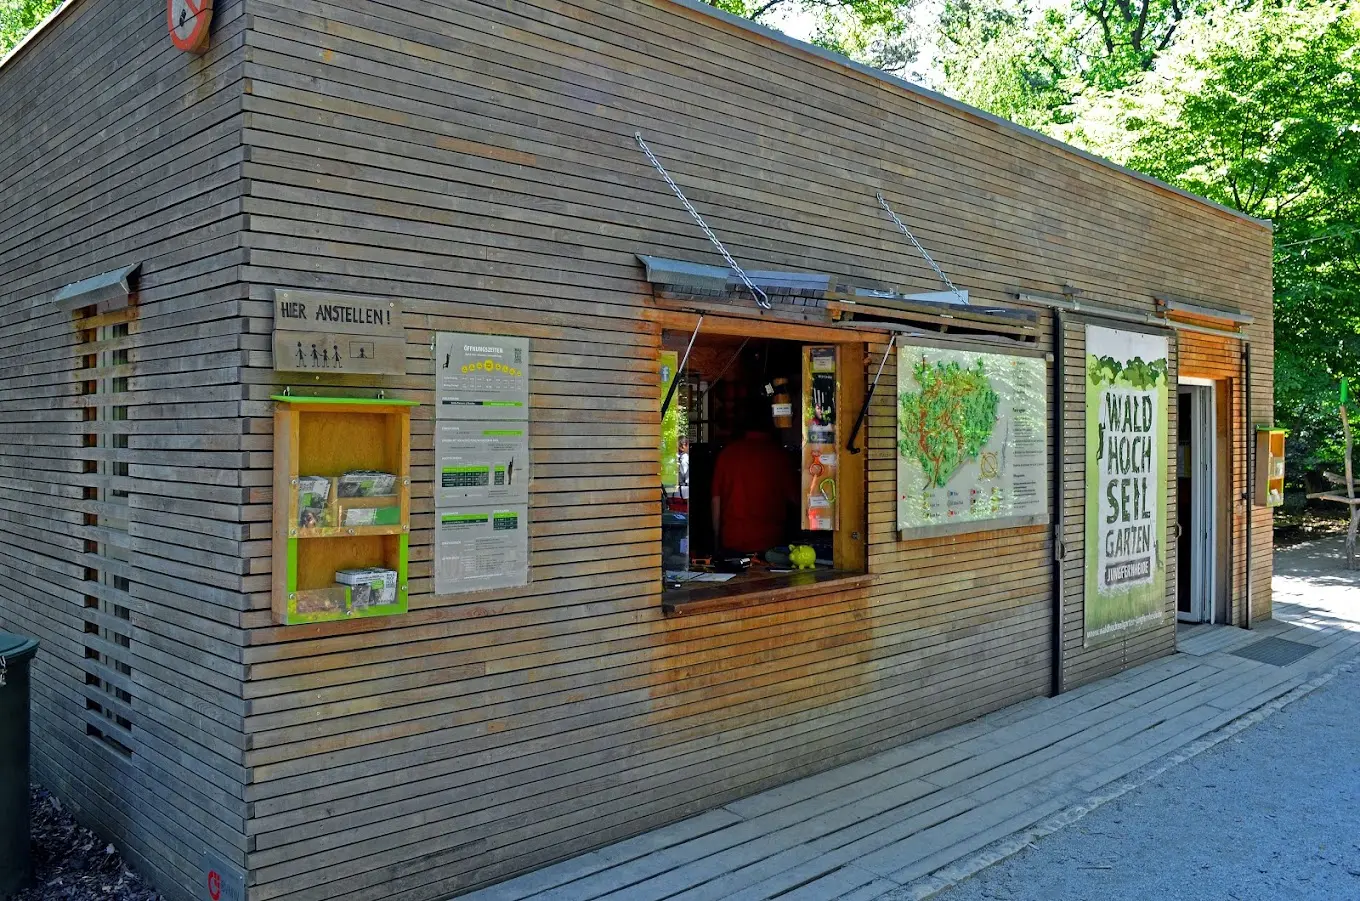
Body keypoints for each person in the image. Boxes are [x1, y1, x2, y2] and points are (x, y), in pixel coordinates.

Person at [711, 396, 799, 556]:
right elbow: (795, 499)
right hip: (771, 542)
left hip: (733, 540)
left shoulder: (727, 454)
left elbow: (716, 501)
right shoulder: (780, 456)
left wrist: (716, 542)